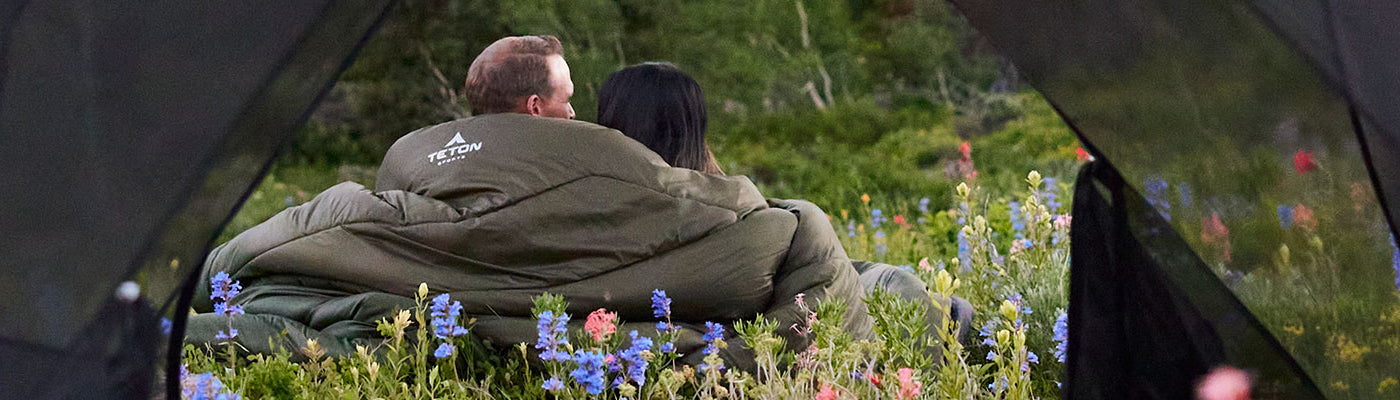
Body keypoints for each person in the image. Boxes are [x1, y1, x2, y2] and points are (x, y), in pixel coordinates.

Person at [186, 36, 874, 372]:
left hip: (449, 302)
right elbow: (765, 238)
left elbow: (341, 224)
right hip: (622, 309)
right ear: (539, 107)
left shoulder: (416, 156)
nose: (579, 114)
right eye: (569, 99)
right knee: (828, 245)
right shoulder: (625, 171)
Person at [596, 62, 974, 342]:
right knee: (905, 290)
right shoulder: (714, 202)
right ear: (690, 130)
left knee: (901, 288)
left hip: (787, 292)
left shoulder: (598, 197)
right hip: (784, 315)